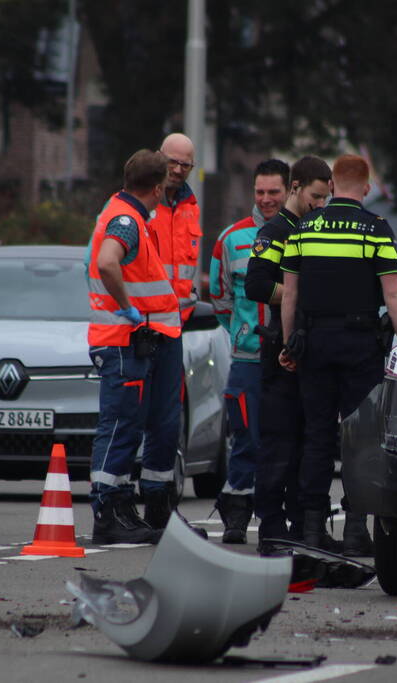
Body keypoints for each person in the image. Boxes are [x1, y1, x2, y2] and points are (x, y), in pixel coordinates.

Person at [279, 154, 397, 552]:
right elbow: (393, 294)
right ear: (367, 187)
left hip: (315, 345)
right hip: (360, 348)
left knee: (317, 438)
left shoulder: (304, 228)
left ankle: (312, 531)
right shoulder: (376, 230)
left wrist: (289, 345)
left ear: (333, 185)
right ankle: (356, 530)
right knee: (359, 441)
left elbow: (290, 295)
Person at [86, 149, 180, 544]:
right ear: (157, 189)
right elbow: (109, 262)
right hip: (123, 340)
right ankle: (108, 514)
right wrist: (128, 308)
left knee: (128, 425)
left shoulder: (120, 210)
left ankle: (120, 509)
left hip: (130, 341)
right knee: (121, 425)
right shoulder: (126, 220)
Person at [244, 155, 331, 555]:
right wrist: (298, 295)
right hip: (280, 350)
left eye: (325, 198)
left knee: (308, 443)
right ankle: (273, 528)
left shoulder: (314, 228)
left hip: (309, 352)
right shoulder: (276, 231)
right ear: (296, 188)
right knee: (279, 443)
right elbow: (258, 285)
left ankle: (303, 525)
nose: (320, 205)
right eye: (315, 196)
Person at [209, 159, 290, 543]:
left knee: (288, 438)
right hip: (248, 358)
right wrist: (242, 332)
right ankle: (236, 513)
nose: (266, 199)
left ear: (288, 190)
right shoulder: (231, 239)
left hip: (290, 356)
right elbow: (219, 297)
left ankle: (283, 516)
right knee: (246, 438)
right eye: (260, 192)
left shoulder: (299, 234)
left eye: (274, 192)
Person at [141, 132, 201, 532]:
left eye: (185, 164)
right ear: (158, 158)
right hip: (139, 329)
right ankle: (115, 507)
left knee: (167, 423)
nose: (178, 170)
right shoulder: (142, 204)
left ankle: (158, 508)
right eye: (172, 162)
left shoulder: (191, 207)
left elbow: (186, 275)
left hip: (173, 330)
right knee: (131, 419)